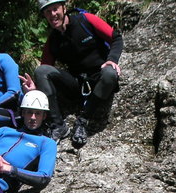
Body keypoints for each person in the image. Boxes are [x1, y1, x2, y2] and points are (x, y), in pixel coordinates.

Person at [20, 0, 123, 146]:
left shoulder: (85, 21)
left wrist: (112, 60)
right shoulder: (53, 40)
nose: (52, 15)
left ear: (64, 8)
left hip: (99, 76)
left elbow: (116, 38)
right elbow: (45, 69)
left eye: (55, 9)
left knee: (110, 74)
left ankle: (83, 121)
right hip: (77, 83)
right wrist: (35, 88)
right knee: (40, 70)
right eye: (48, 12)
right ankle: (58, 125)